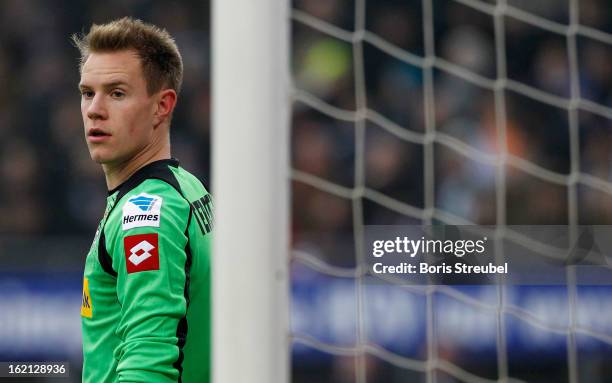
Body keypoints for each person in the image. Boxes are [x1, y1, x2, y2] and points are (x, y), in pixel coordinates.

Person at [73, 17, 212, 383]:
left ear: (162, 106)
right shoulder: (187, 187)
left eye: (117, 93)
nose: (94, 110)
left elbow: (149, 358)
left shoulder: (146, 213)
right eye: (88, 93)